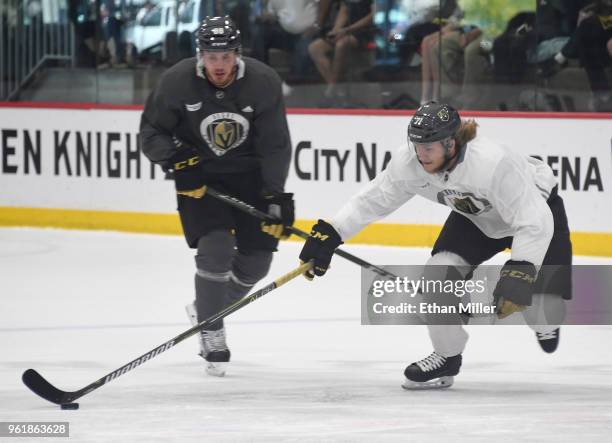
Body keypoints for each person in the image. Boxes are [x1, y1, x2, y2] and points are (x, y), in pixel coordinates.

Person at [298, 102, 572, 389]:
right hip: (476, 216)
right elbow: (373, 199)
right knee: (438, 276)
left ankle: (546, 324)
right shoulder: (409, 163)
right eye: (417, 145)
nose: (421, 154)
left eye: (429, 147)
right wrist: (332, 232)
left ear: (451, 144)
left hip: (537, 212)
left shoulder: (492, 164)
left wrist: (522, 270)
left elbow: (534, 220)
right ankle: (447, 355)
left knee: (542, 311)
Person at [139, 16, 294, 377]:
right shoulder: (177, 82)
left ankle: (206, 309)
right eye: (212, 57)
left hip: (249, 178)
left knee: (257, 262)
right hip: (199, 178)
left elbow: (275, 144)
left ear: (237, 55)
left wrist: (276, 195)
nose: (219, 65)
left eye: (225, 57)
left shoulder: (263, 82)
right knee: (217, 248)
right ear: (201, 56)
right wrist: (177, 158)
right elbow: (151, 132)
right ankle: (211, 329)